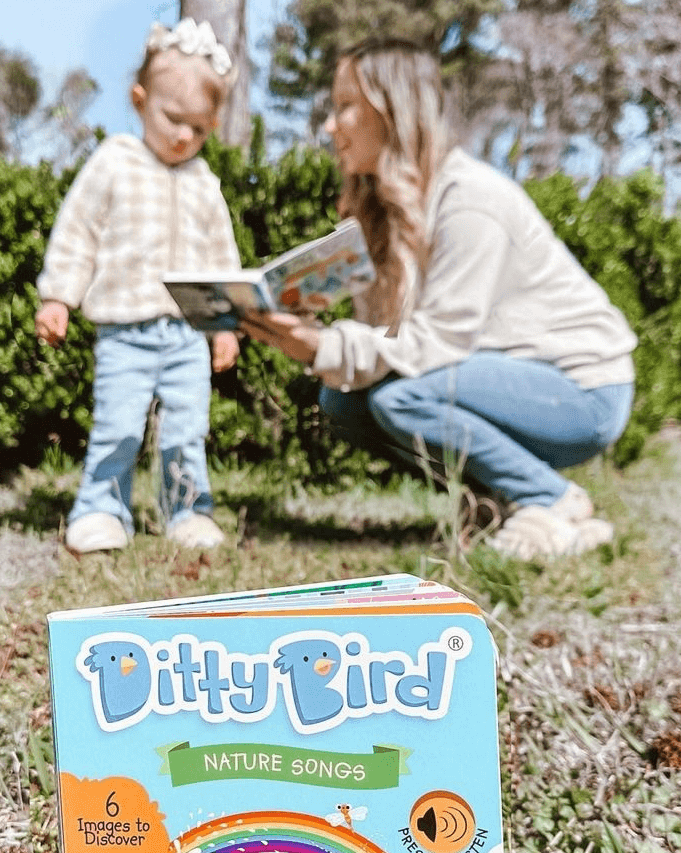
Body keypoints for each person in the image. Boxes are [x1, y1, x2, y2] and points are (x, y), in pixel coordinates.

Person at [241, 40, 637, 559]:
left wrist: (324, 347)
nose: (330, 126)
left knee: (399, 397)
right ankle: (497, 501)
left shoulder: (471, 199)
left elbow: (438, 344)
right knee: (344, 401)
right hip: (496, 376)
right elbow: (395, 345)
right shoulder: (385, 208)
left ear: (393, 111)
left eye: (344, 106)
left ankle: (552, 498)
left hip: (582, 390)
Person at [35, 18, 241, 552]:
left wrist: (225, 325)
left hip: (187, 335)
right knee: (119, 426)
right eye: (173, 119)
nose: (183, 136)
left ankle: (188, 514)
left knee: (186, 432)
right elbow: (77, 232)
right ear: (138, 99)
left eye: (198, 128)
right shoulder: (114, 162)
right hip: (124, 331)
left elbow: (222, 258)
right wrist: (59, 296)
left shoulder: (203, 181)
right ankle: (101, 511)